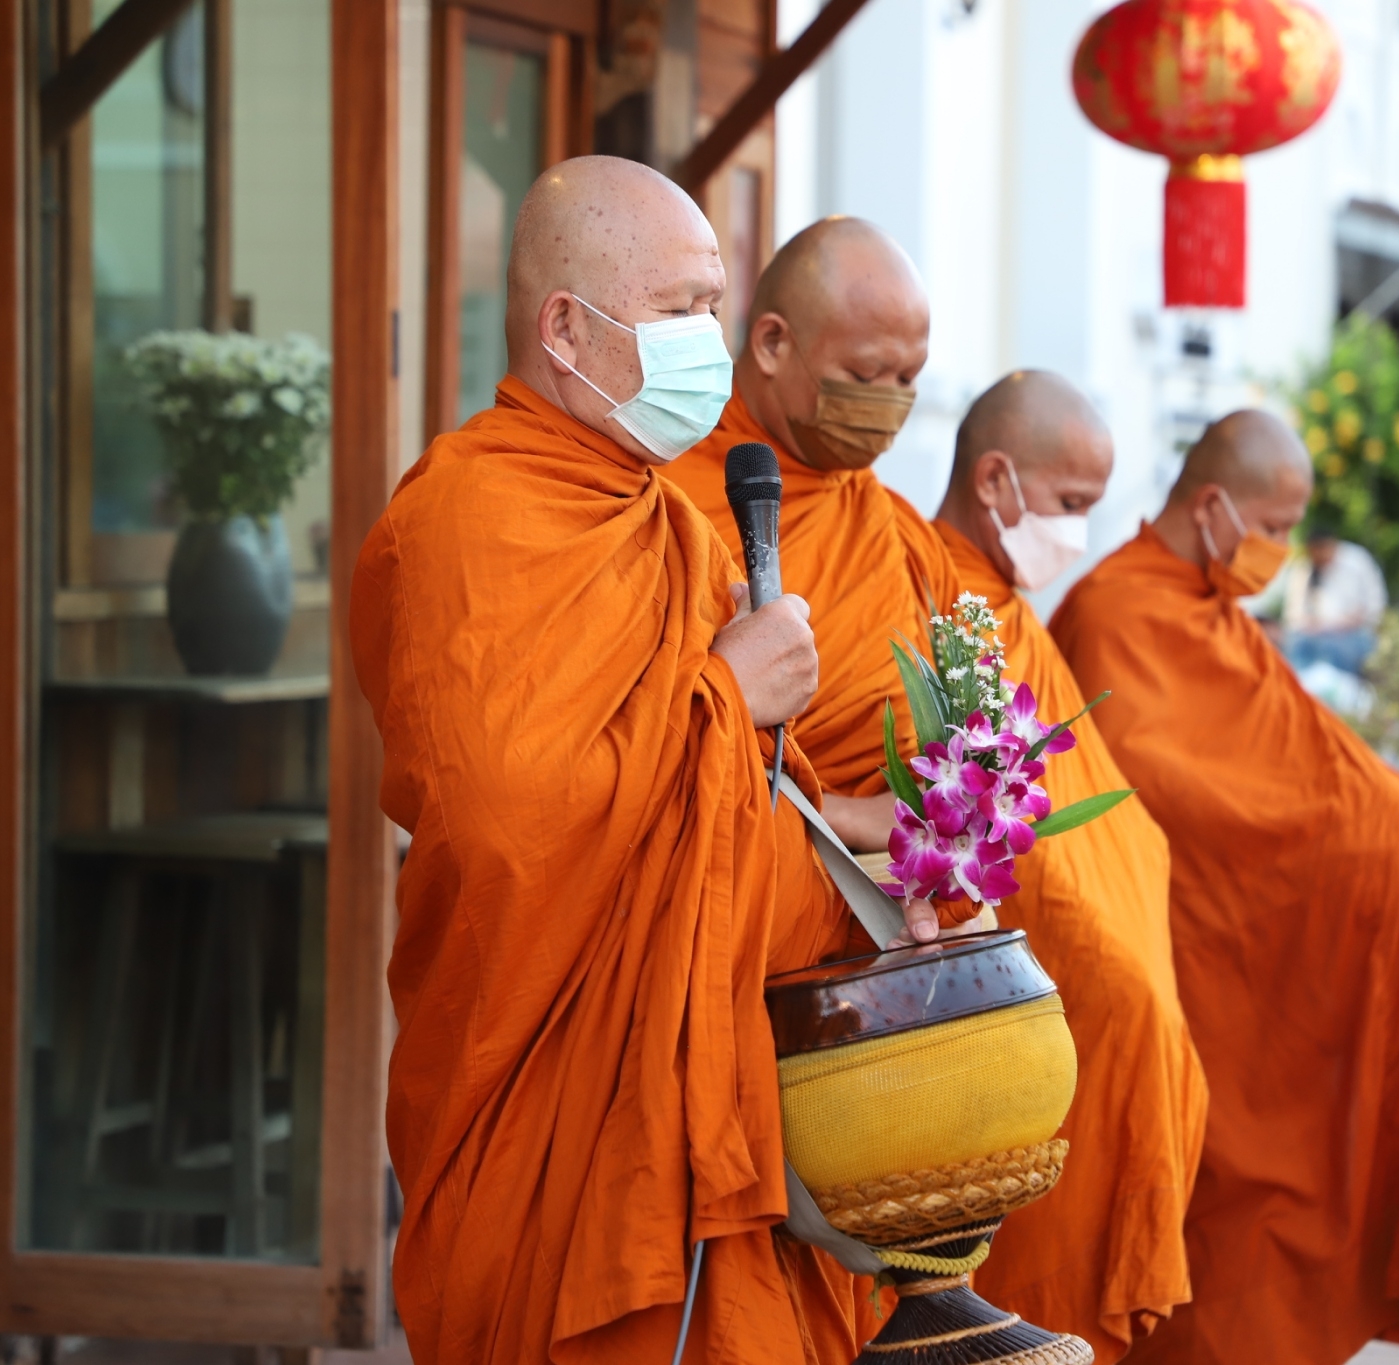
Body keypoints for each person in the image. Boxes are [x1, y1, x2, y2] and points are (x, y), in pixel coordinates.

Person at [350, 157, 950, 1365]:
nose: (708, 342)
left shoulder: (673, 523)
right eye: (678, 310)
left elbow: (713, 810)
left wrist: (850, 851)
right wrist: (730, 690)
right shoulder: (468, 517)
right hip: (558, 1097)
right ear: (565, 327)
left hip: (713, 1083)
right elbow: (515, 826)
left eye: (712, 308)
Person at [1050, 410, 1399, 1365]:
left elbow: (1287, 759)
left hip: (1263, 932)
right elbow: (1154, 788)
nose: (1283, 551)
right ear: (1213, 507)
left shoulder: (1207, 604)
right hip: (1194, 941)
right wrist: (1342, 837)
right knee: (1228, 1183)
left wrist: (1382, 834)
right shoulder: (1111, 611)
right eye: (1276, 525)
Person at [931, 370, 1210, 1359]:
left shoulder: (1003, 608)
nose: (1077, 533)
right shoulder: (937, 599)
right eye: (1070, 505)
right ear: (996, 479)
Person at [658, 216, 947, 856]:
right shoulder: (668, 498)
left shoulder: (894, 527)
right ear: (771, 344)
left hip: (899, 894)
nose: (891, 403)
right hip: (743, 883)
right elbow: (651, 744)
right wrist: (840, 815)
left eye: (908, 380)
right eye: (867, 376)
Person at [1278, 517, 1386, 675]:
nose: (1320, 557)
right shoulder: (1305, 570)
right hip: (1312, 635)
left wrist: (1353, 620)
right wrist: (1309, 623)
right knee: (1296, 647)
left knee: (1337, 651)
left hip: (1352, 635)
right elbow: (1293, 614)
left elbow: (1375, 605)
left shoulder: (1357, 561)